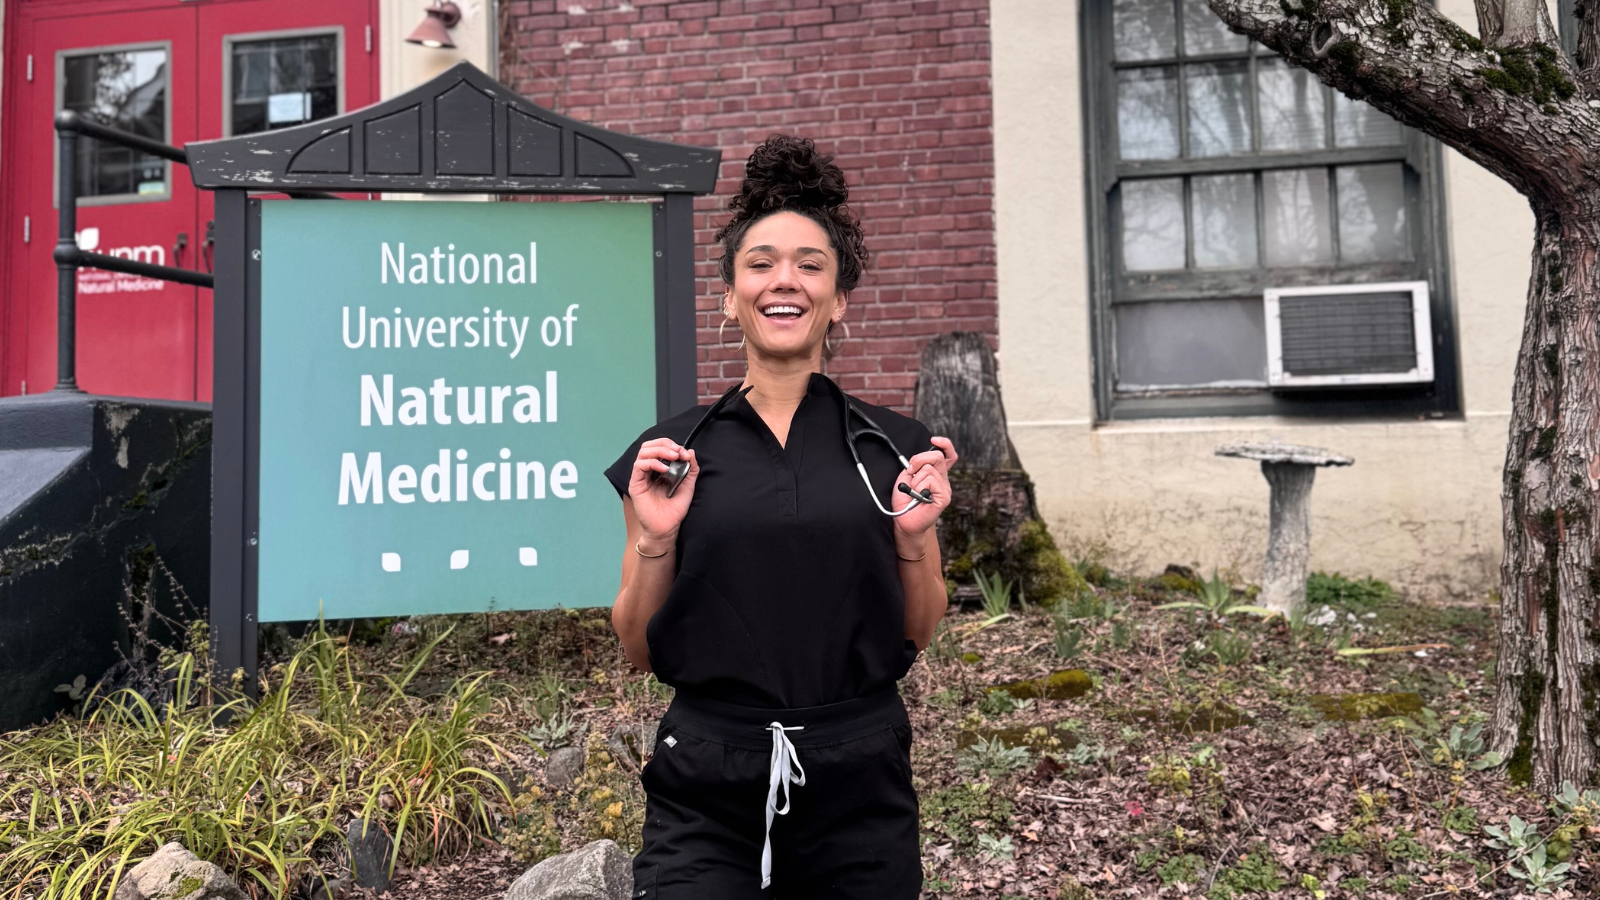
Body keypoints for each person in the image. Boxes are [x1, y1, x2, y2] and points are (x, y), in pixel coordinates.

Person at [603, 134, 958, 899]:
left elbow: (918, 630)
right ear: (729, 296)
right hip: (707, 776)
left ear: (839, 299)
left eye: (810, 264)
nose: (783, 281)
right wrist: (655, 539)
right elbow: (636, 646)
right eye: (759, 263)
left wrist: (913, 539)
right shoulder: (671, 455)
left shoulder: (891, 448)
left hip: (858, 776)